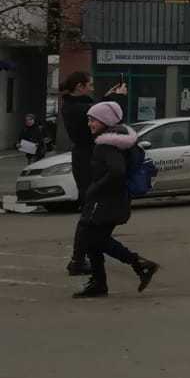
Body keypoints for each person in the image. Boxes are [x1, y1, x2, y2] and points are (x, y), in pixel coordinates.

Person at [71, 100, 160, 299]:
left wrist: (95, 188)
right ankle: (99, 283)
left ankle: (140, 264)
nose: (89, 123)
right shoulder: (119, 139)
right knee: (95, 241)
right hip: (115, 199)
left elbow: (117, 171)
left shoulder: (107, 145)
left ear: (104, 120)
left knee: (95, 238)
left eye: (92, 119)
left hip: (107, 201)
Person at [61, 73, 126, 275]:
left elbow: (97, 109)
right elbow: (108, 116)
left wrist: (107, 98)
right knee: (91, 212)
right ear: (79, 86)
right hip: (88, 162)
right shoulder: (76, 108)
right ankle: (80, 258)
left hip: (88, 159)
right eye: (89, 85)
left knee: (95, 213)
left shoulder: (78, 105)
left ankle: (85, 256)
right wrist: (117, 99)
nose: (91, 88)